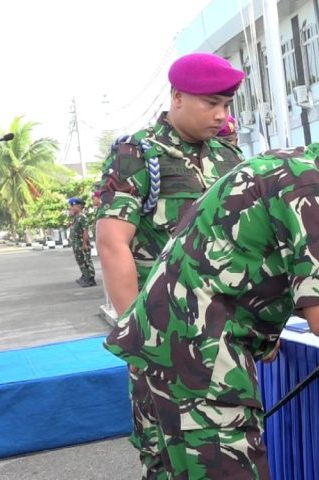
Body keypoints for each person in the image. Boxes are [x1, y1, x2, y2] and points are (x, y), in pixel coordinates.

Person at [104, 102, 319, 479]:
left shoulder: (280, 165)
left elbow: (247, 264)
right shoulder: (316, 190)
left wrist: (308, 324)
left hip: (157, 352)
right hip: (201, 360)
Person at [95, 52, 245, 477]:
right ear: (178, 97)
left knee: (227, 450)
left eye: (226, 105)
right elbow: (112, 243)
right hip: (164, 337)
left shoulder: (229, 157)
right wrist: (135, 334)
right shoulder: (138, 153)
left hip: (224, 334)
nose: (220, 115)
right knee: (166, 456)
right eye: (210, 103)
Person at [67, 197, 96, 287]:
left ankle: (90, 279)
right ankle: (85, 276)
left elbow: (85, 231)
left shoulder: (82, 217)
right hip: (77, 244)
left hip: (81, 244)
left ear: (77, 206)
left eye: (72, 206)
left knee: (86, 261)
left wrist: (84, 244)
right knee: (80, 261)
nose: (70, 208)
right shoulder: (76, 218)